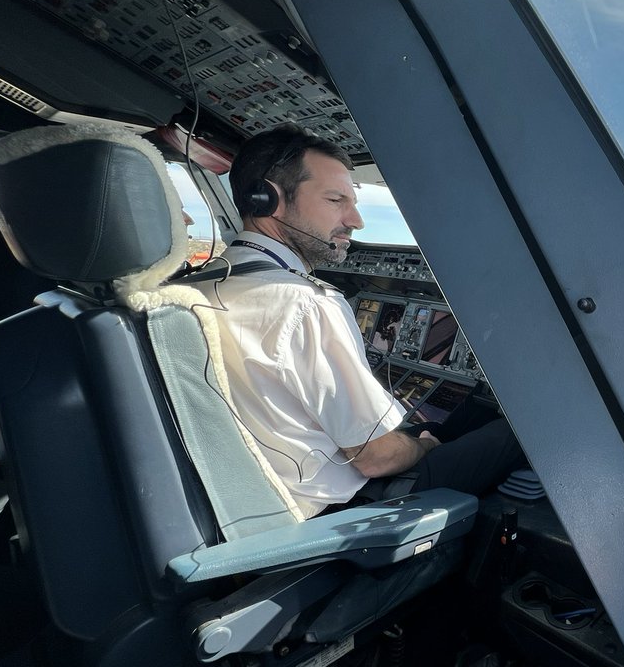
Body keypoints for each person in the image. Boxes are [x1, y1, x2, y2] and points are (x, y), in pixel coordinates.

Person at [205, 124, 524, 517]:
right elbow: (376, 458)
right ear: (267, 198)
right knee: (519, 430)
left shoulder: (205, 282)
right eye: (335, 200)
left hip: (255, 488)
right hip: (338, 507)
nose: (356, 221)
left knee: (459, 419)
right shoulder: (304, 303)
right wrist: (425, 446)